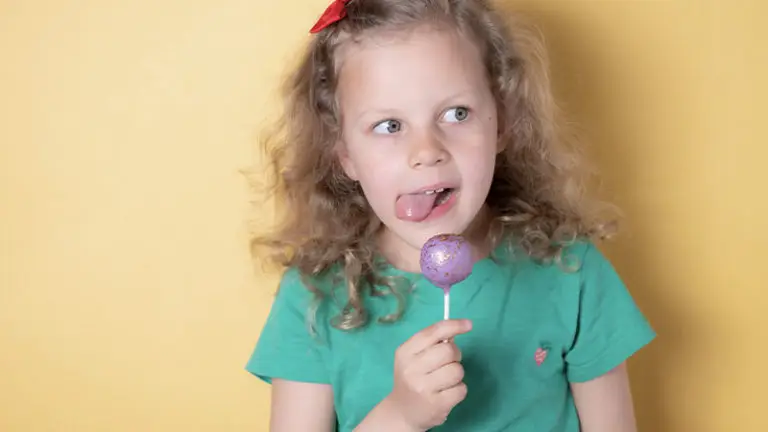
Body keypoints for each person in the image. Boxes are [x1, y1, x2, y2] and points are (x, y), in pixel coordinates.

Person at [245, 0, 655, 430]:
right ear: (344, 154)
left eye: (456, 114)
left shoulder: (571, 270)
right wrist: (400, 416)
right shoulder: (313, 296)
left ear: (502, 123)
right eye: (389, 125)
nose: (427, 152)